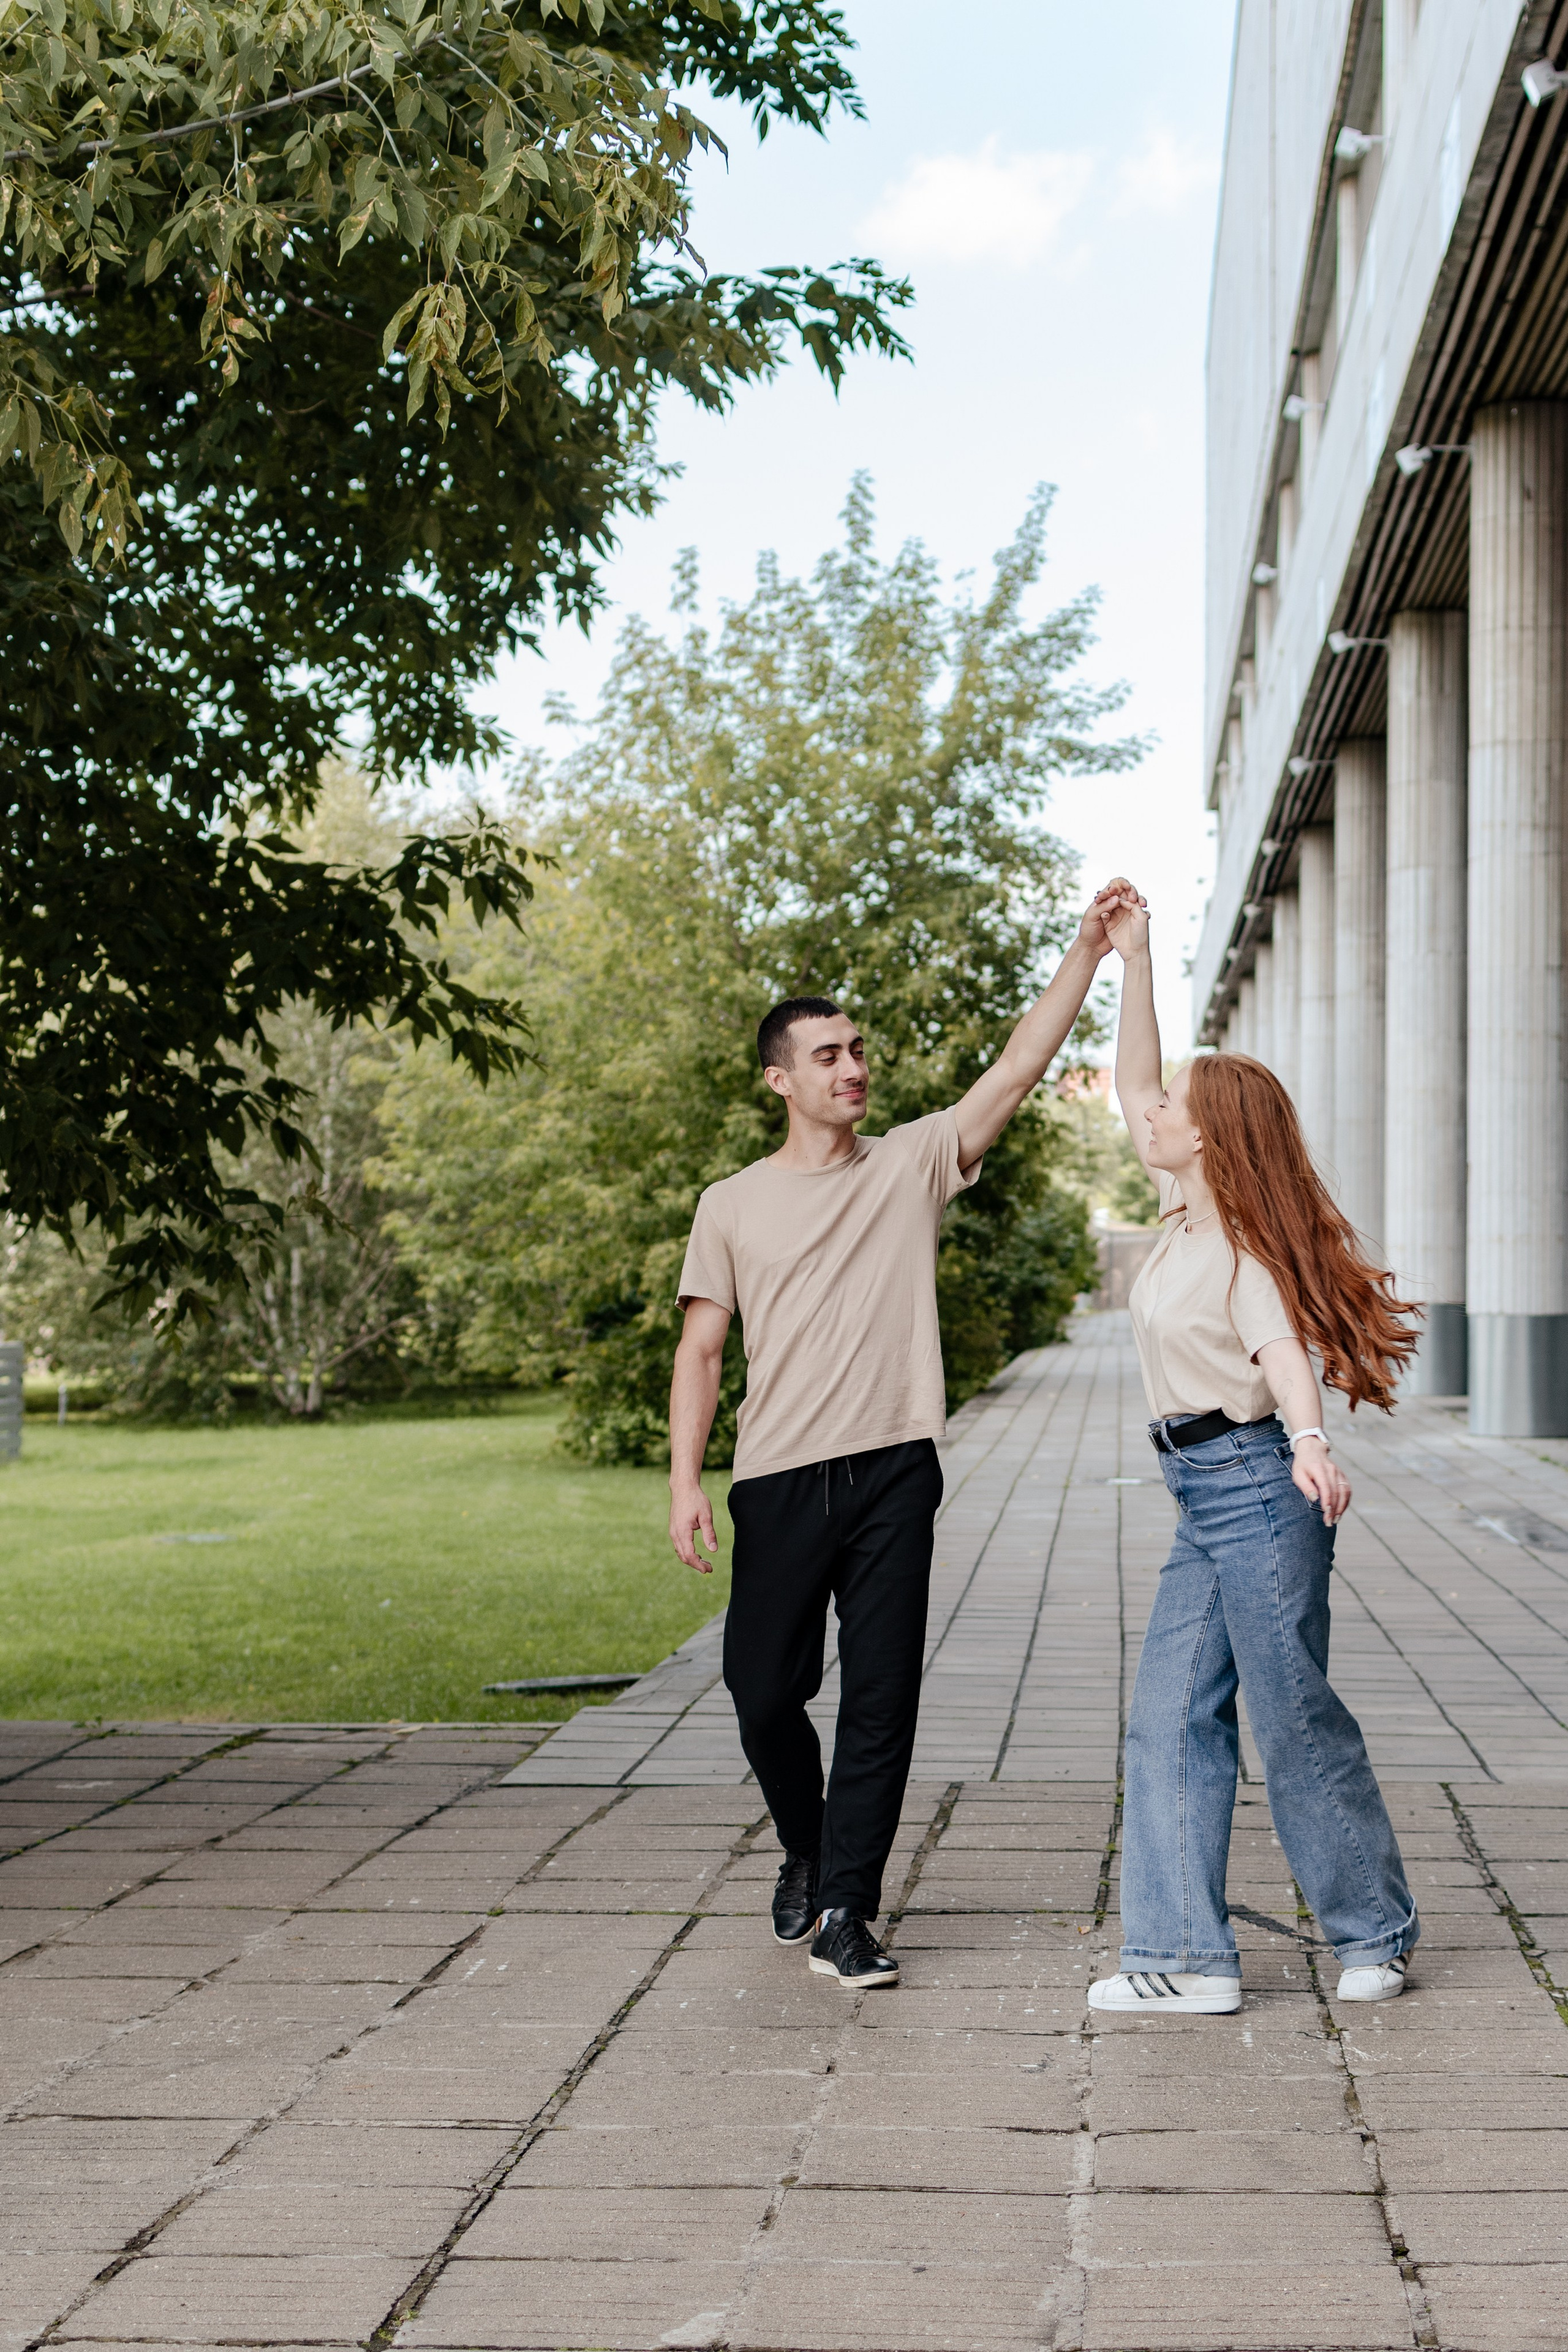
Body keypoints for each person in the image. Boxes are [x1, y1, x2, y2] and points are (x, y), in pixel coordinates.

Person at [668, 881, 1142, 1989]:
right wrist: (687, 1481)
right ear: (780, 1079)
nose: (853, 1068)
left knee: (883, 1699)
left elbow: (1021, 1068)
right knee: (762, 1693)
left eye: (860, 1050)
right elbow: (699, 1353)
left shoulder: (913, 1163)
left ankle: (846, 1906)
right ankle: (805, 1846)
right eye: (828, 1055)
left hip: (894, 1469)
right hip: (777, 1476)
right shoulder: (729, 1203)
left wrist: (1087, 953)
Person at [1089, 894, 1421, 2015]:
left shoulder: (1243, 1248)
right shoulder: (1184, 1214)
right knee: (1171, 1712)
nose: (1150, 1113)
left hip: (1259, 1487)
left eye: (1172, 1107)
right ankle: (1188, 1959)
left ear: (1208, 1135)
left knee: (1288, 1711)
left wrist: (1315, 1441)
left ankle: (1372, 1932)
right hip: (1201, 1496)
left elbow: (1284, 1355)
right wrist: (1130, 962)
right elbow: (1135, 1079)